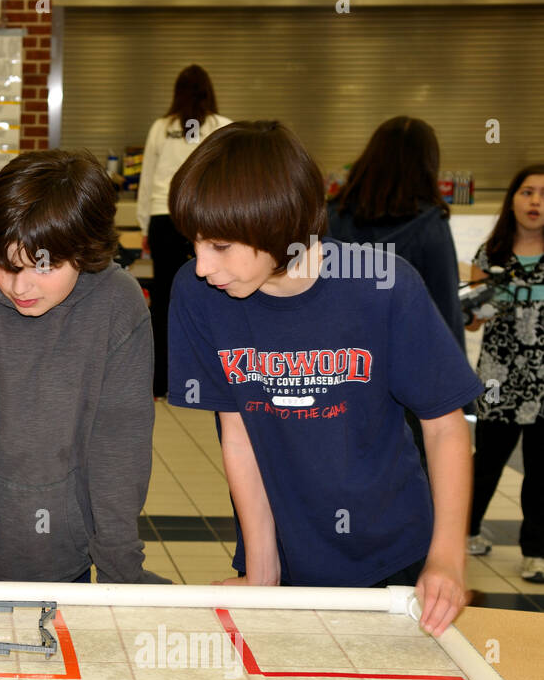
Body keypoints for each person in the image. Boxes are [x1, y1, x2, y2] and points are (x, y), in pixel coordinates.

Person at [166, 121, 482, 637]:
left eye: (220, 245)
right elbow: (238, 428)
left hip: (392, 557)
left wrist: (447, 559)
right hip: (281, 548)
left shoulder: (383, 286)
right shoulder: (199, 295)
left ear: (277, 224)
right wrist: (263, 565)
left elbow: (445, 424)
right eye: (195, 243)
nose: (202, 265)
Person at [0, 149, 167, 584]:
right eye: (6, 263)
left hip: (61, 555)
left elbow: (119, 448)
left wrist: (122, 572)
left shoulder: (120, 305)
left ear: (85, 248)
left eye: (44, 267)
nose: (20, 286)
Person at [465, 164, 544, 581]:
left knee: (540, 468)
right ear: (512, 198)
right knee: (489, 460)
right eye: (527, 192)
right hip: (498, 378)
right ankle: (467, 531)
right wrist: (469, 310)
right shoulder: (489, 254)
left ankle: (536, 551)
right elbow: (475, 319)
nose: (535, 202)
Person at [137, 64, 231, 398]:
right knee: (216, 298)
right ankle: (212, 379)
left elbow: (147, 180)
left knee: (164, 302)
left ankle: (160, 383)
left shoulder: (161, 128)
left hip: (165, 219)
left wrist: (145, 224)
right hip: (207, 222)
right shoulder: (223, 127)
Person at [328, 116, 462, 347]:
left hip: (341, 359)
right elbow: (445, 306)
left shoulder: (331, 216)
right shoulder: (431, 225)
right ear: (427, 166)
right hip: (407, 359)